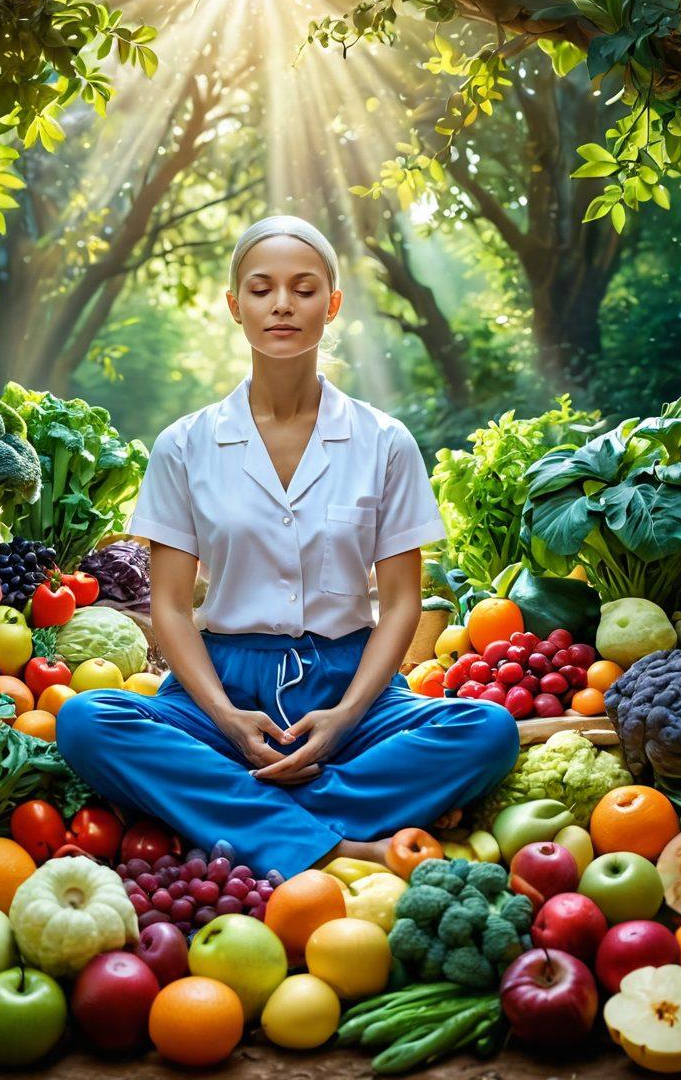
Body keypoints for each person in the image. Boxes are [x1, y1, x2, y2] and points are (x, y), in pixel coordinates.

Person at [56, 216, 519, 877]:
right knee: (85, 721)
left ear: (332, 306)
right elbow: (171, 610)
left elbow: (401, 605)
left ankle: (249, 821)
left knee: (487, 733)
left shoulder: (384, 442)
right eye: (261, 288)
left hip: (352, 685)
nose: (281, 305)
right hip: (219, 687)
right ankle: (336, 843)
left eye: (303, 289)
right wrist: (224, 715)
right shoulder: (184, 445)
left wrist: (345, 715)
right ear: (234, 305)